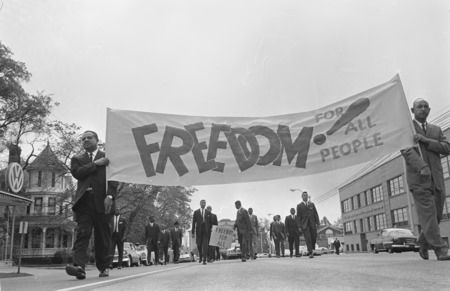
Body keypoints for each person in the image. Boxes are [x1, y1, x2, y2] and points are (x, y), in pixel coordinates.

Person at [401, 98, 450, 261]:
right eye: (419, 107)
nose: (422, 109)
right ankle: (441, 249)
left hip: (437, 179)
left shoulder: (436, 130)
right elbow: (407, 151)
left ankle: (422, 241)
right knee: (429, 215)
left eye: (425, 107)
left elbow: (447, 148)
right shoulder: (407, 129)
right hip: (419, 180)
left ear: (429, 110)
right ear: (412, 110)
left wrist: (426, 141)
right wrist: (421, 166)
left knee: (435, 216)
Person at [65, 130, 118, 279]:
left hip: (103, 202)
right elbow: (78, 173)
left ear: (97, 140)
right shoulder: (77, 158)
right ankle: (78, 267)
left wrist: (110, 195)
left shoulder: (108, 157)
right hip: (84, 203)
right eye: (83, 139)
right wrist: (95, 164)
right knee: (82, 234)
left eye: (89, 138)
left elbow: (114, 178)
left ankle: (104, 267)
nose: (86, 140)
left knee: (103, 236)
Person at [297, 191, 320, 259]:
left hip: (312, 224)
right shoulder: (299, 206)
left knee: (313, 237)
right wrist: (299, 226)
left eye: (306, 195)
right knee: (308, 238)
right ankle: (310, 252)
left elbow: (315, 214)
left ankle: (311, 249)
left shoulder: (312, 204)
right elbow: (298, 217)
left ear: (308, 196)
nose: (305, 196)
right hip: (305, 225)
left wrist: (318, 223)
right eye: (304, 195)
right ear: (302, 197)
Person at [192, 199, 212, 265]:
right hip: (199, 231)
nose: (203, 204)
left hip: (206, 231)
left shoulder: (208, 212)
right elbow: (193, 223)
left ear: (205, 204)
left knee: (205, 245)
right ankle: (200, 255)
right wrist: (192, 232)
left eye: (204, 203)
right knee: (199, 245)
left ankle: (204, 259)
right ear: (200, 204)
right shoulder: (196, 212)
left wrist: (210, 230)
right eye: (202, 203)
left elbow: (210, 223)